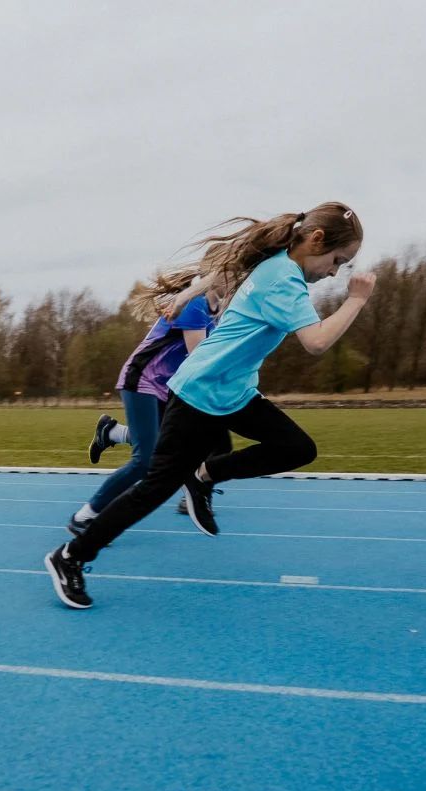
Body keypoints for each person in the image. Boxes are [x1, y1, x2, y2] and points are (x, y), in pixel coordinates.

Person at [45, 202, 375, 609]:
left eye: (344, 269)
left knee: (297, 448)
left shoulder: (273, 261)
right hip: (200, 393)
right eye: (337, 261)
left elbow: (224, 270)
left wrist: (190, 290)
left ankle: (204, 475)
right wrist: (356, 299)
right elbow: (317, 342)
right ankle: (70, 557)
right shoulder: (284, 282)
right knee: (154, 488)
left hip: (234, 392)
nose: (334, 273)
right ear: (316, 240)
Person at [71, 285, 223, 536]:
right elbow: (200, 357)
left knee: (170, 442)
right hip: (142, 378)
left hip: (165, 386)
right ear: (217, 273)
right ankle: (85, 516)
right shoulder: (195, 304)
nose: (242, 278)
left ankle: (112, 433)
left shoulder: (215, 311)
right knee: (145, 461)